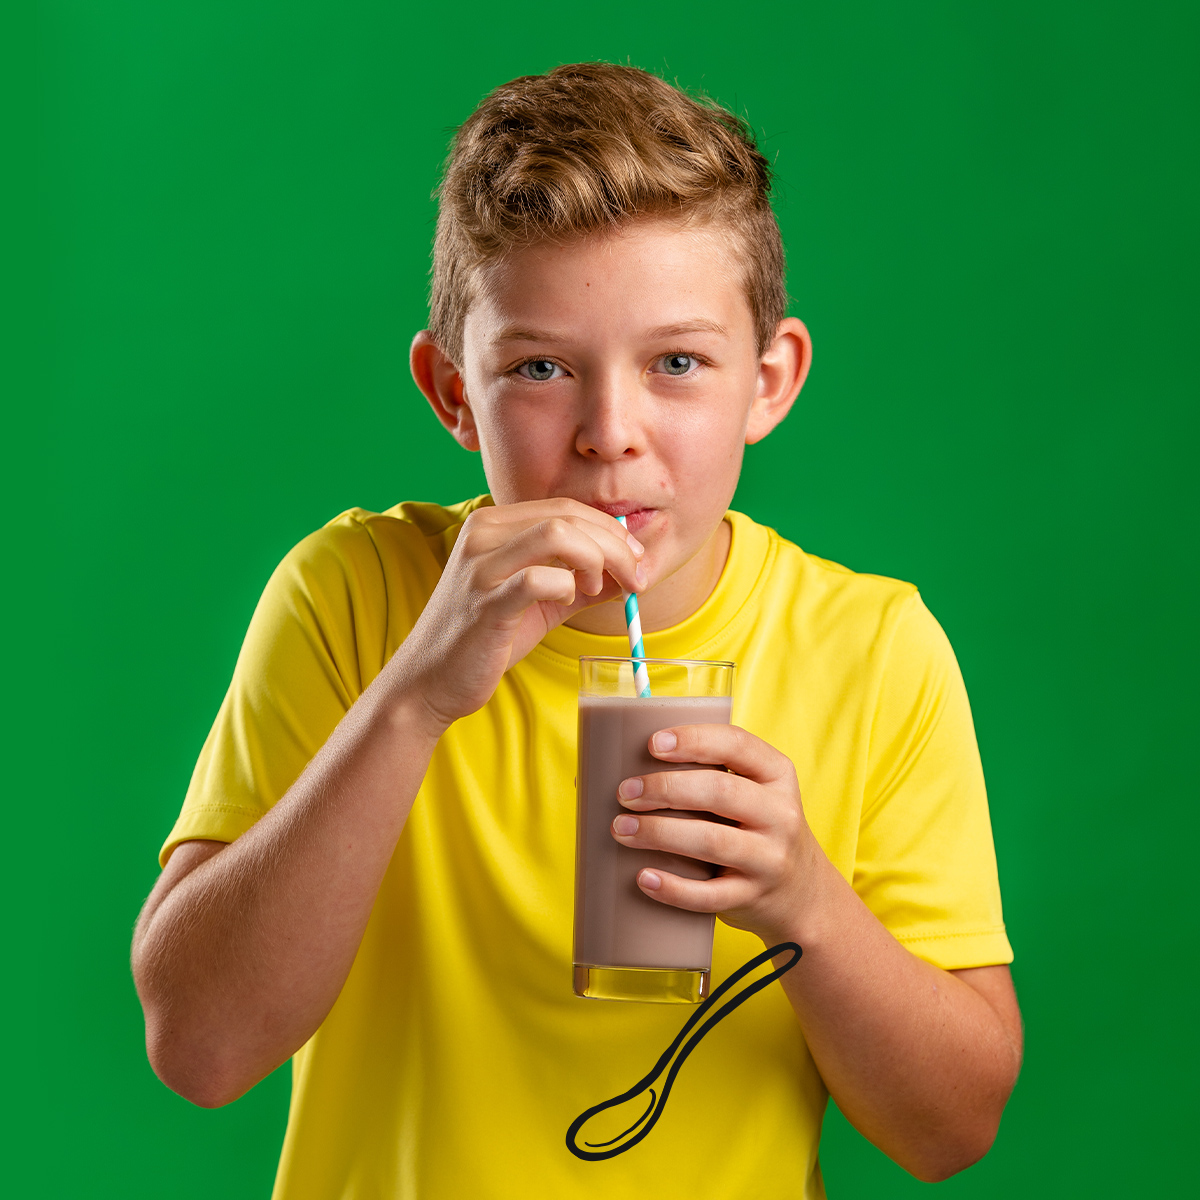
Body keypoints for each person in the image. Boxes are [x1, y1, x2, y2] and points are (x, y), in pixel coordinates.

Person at [132, 62, 1022, 1199]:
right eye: (541, 367)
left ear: (770, 380)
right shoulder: (351, 594)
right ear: (453, 393)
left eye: (678, 365)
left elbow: (951, 1133)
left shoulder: (874, 648)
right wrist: (415, 697)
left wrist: (803, 896)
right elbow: (200, 1051)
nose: (611, 433)